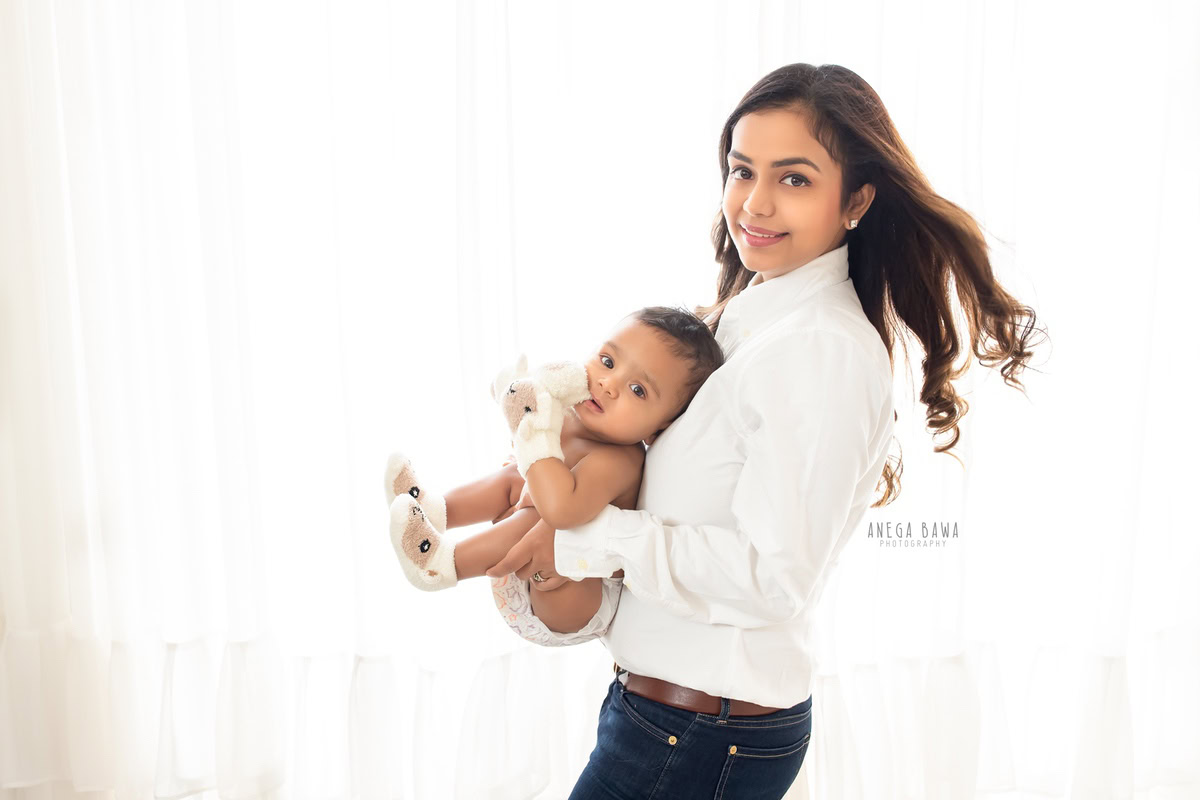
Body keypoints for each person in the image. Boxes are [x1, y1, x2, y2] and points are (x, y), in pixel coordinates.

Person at [484, 62, 1044, 799]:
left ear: (859, 200)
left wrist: (587, 538)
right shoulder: (751, 320)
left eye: (795, 179)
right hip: (674, 722)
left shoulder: (819, 348)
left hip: (695, 736)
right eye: (742, 170)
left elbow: (774, 577)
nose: (754, 202)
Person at [384, 305, 724, 646]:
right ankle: (435, 509)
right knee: (515, 476)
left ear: (659, 428)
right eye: (607, 361)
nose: (608, 384)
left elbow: (560, 510)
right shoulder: (569, 415)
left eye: (638, 390)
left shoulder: (621, 459)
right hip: (517, 567)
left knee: (541, 514)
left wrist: (531, 429)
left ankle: (440, 564)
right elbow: (528, 467)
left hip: (571, 601)